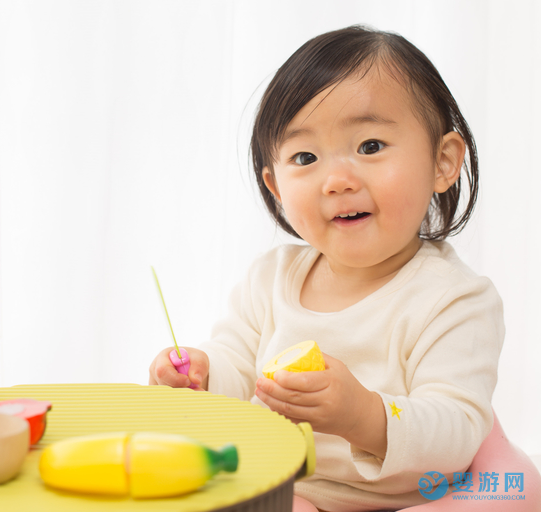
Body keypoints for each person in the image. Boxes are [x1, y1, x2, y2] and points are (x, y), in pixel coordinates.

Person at [148, 25, 504, 512]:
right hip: (280, 486)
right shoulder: (270, 279)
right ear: (274, 186)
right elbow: (238, 366)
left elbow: (457, 434)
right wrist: (203, 375)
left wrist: (364, 416)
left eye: (371, 146)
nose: (337, 180)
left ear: (443, 162)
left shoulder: (454, 299)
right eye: (306, 157)